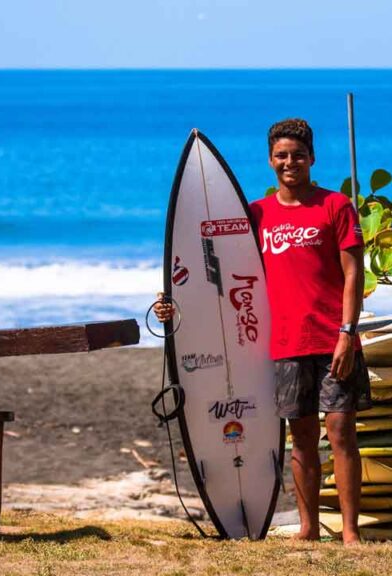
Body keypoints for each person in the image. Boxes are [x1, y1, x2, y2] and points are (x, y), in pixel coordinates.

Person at [155, 118, 369, 545]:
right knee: (302, 437)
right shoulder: (256, 214)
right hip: (285, 342)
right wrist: (173, 303)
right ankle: (309, 529)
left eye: (298, 155)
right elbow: (212, 264)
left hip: (332, 338)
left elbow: (353, 273)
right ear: (271, 160)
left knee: (342, 432)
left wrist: (348, 331)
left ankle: (349, 532)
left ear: (311, 158)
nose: (290, 162)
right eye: (281, 156)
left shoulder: (336, 206)